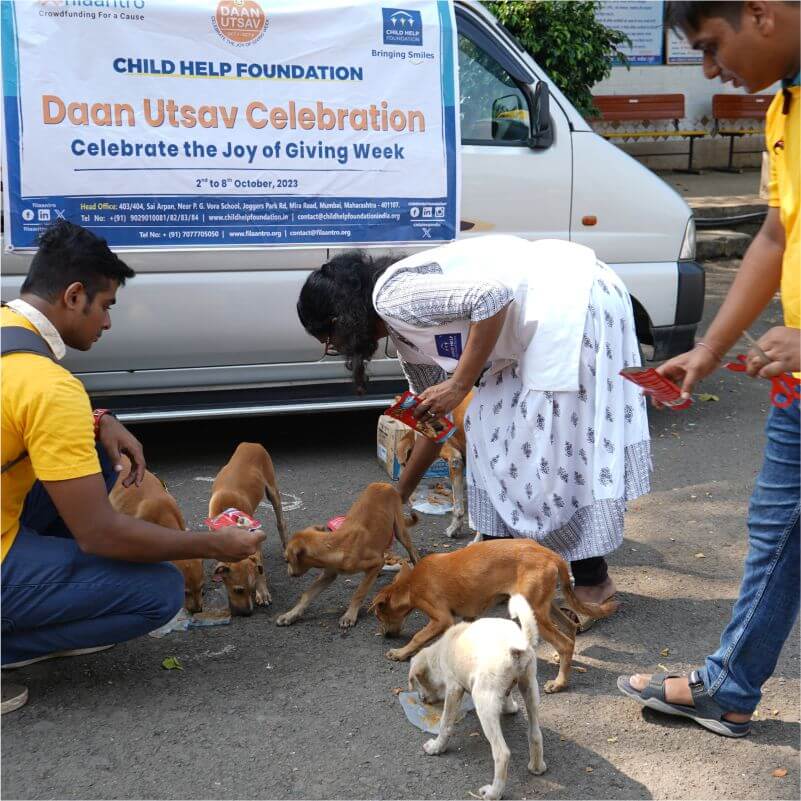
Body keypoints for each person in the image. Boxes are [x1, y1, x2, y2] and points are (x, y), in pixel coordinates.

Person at [297, 234, 652, 621]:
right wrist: (396, 497)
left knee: (554, 445)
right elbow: (435, 422)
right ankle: (496, 571)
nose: (334, 348)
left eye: (327, 338)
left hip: (574, 302)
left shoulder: (392, 298)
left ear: (340, 318)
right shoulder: (404, 336)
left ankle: (591, 582)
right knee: (486, 426)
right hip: (552, 313)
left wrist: (460, 383)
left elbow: (491, 299)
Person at [618, 0, 799, 737]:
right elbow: (773, 232)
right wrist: (712, 348)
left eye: (708, 45)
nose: (708, 69)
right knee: (776, 526)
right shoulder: (784, 107)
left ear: (758, 13)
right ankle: (727, 686)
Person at [1, 221, 265, 714]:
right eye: (105, 306)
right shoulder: (49, 385)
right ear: (74, 295)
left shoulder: (8, 336)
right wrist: (213, 545)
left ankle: (47, 582)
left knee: (101, 467)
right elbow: (99, 535)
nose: (106, 323)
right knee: (157, 590)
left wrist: (98, 419)